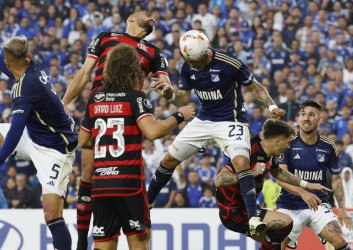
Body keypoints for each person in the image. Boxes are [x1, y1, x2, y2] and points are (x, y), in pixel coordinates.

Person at [148, 29, 286, 234]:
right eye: (188, 61)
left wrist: (272, 107)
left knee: (241, 162)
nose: (191, 65)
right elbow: (182, 100)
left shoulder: (230, 63)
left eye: (194, 62)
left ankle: (253, 218)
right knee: (169, 160)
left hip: (232, 120)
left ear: (205, 54)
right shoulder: (188, 65)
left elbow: (256, 87)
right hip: (204, 119)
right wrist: (169, 94)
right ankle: (146, 204)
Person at [61, 11, 172, 249]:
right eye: (145, 13)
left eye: (152, 15)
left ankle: (132, 226)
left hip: (127, 112)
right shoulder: (104, 37)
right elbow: (84, 73)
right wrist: (64, 102)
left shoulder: (154, 52)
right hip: (98, 109)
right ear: (131, 18)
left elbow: (166, 85)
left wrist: (168, 90)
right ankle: (82, 242)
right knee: (88, 174)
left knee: (123, 174)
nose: (150, 15)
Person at [78, 43, 194, 250]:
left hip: (101, 184)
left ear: (108, 68)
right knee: (139, 240)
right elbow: (153, 132)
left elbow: (83, 141)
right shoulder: (135, 98)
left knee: (103, 243)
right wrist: (179, 116)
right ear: (134, 70)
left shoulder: (95, 98)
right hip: (128, 182)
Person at [0, 36, 77, 250]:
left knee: (52, 214)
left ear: (7, 62)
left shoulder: (23, 91)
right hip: (35, 134)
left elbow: (15, 132)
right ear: (28, 55)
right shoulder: (34, 65)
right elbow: (9, 65)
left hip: (55, 150)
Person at [214, 119, 331, 249]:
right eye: (287, 143)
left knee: (279, 243)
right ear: (278, 141)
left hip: (247, 209)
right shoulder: (247, 151)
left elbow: (279, 173)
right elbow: (219, 180)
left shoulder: (269, 155)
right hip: (234, 211)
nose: (288, 147)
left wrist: (306, 184)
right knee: (286, 222)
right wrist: (251, 172)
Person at [276, 100, 353, 250]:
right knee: (276, 245)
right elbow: (280, 178)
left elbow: (336, 179)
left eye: (311, 115)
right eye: (303, 114)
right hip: (289, 205)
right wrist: (304, 193)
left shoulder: (328, 146)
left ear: (319, 119)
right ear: (298, 118)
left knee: (340, 242)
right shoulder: (288, 143)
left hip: (318, 206)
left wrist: (342, 208)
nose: (306, 118)